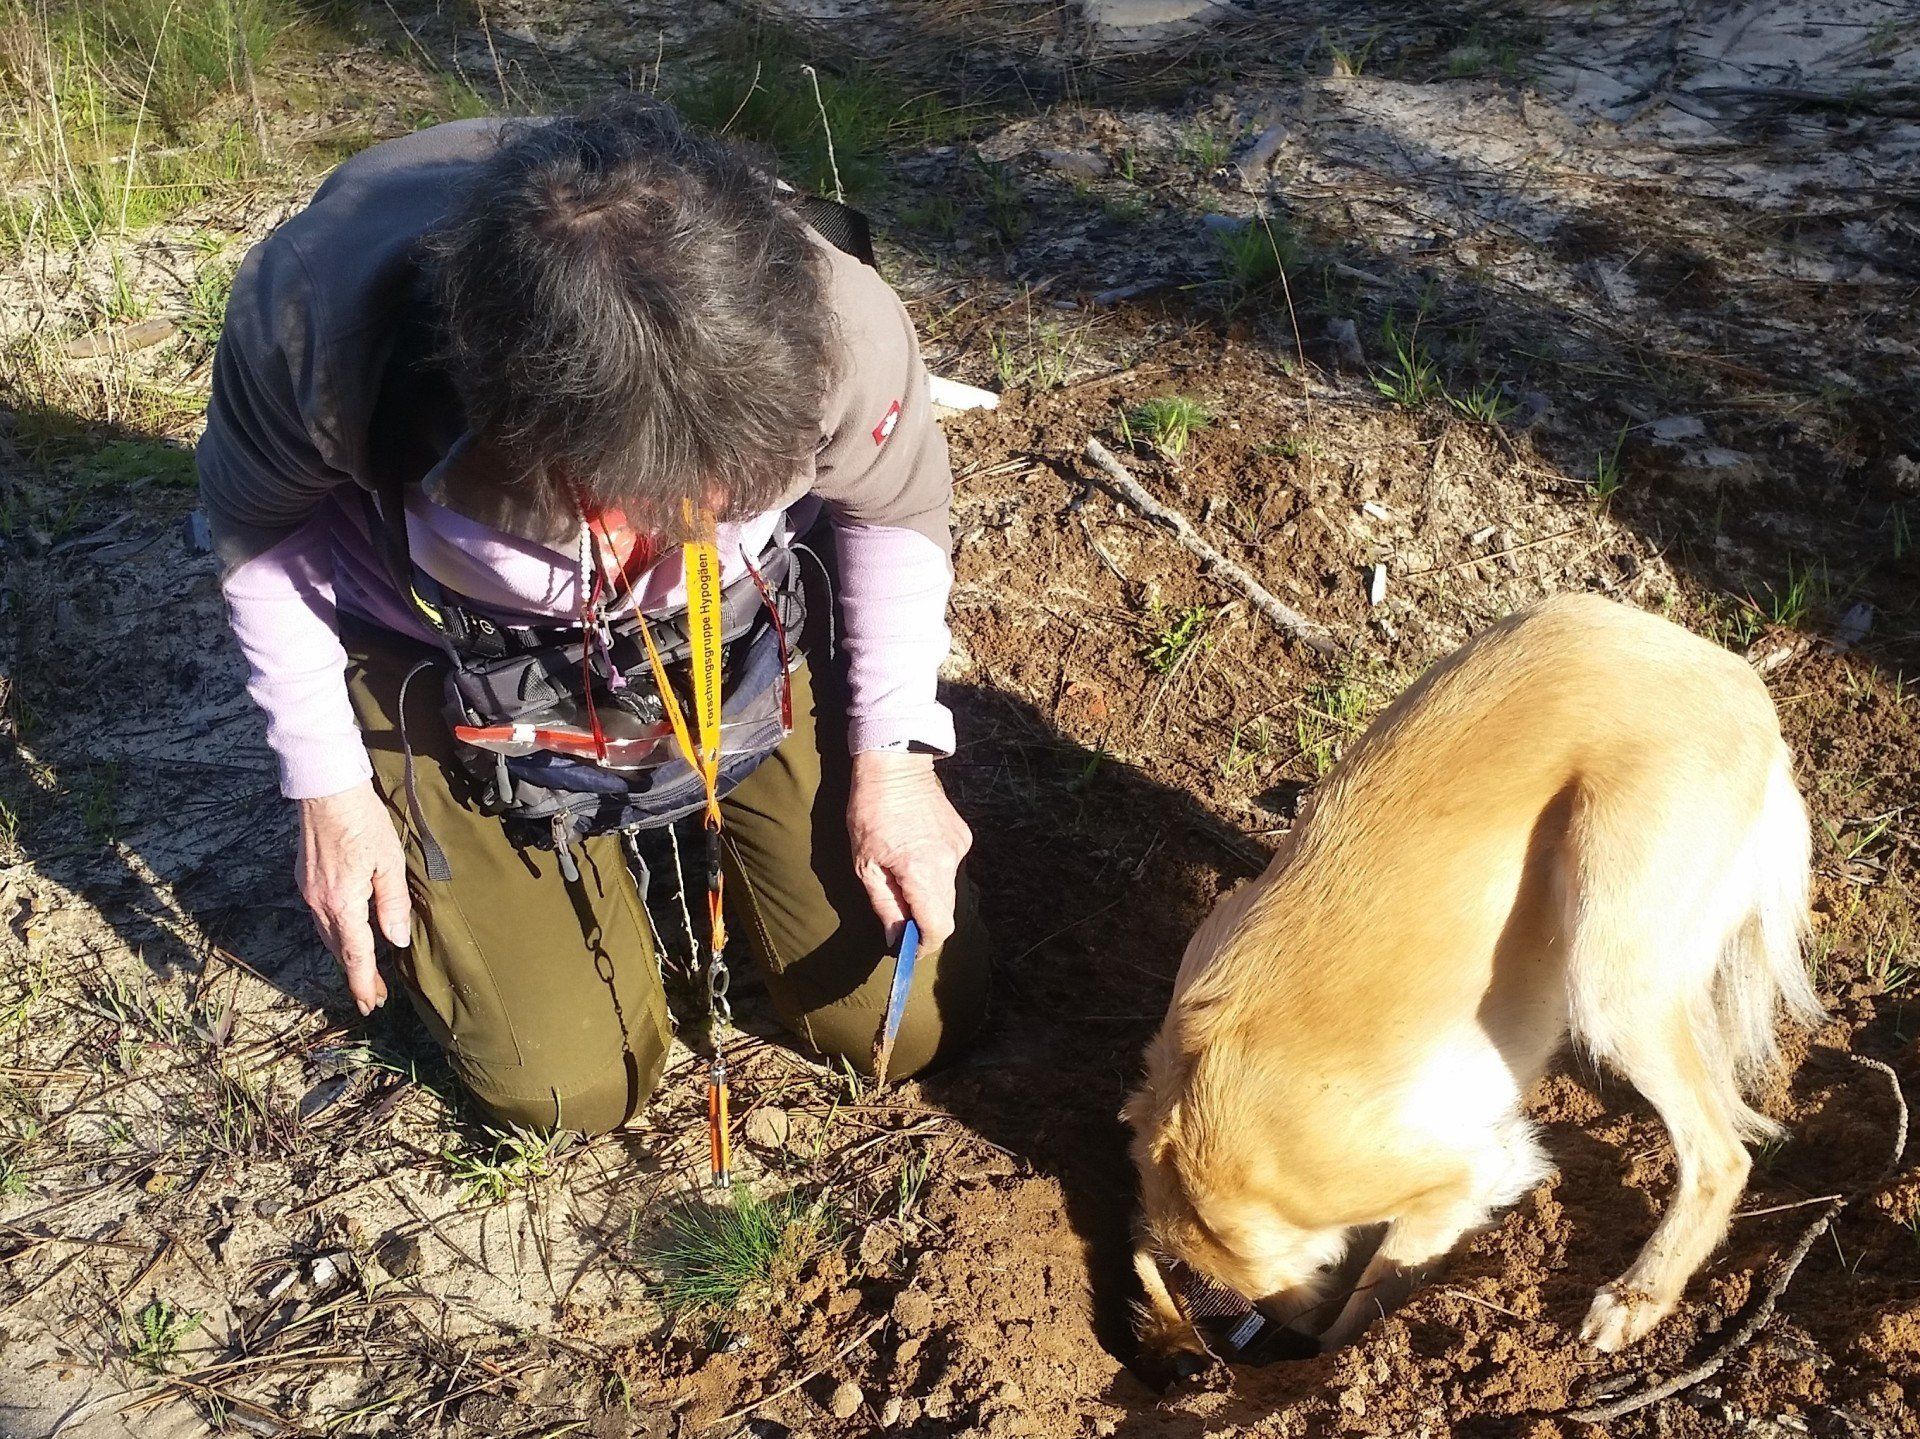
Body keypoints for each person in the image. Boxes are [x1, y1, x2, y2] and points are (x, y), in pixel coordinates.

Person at [196, 96, 990, 1134]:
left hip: (732, 638)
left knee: (911, 1022)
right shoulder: (315, 329)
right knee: (571, 1085)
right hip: (460, 660)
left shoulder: (833, 316)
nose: (684, 538)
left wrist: (894, 759)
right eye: (640, 510)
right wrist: (331, 789)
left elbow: (893, 509)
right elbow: (261, 536)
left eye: (728, 499)